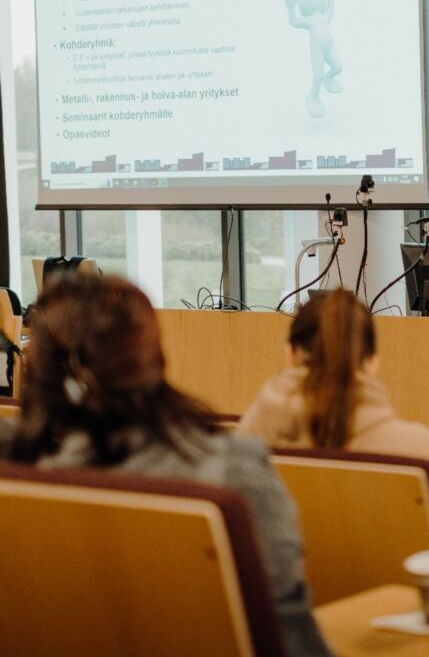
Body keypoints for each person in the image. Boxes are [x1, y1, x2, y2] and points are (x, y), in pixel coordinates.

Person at [5, 274, 333, 657]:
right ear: (153, 357)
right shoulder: (232, 473)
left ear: (39, 370)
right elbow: (291, 638)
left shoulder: (19, 474)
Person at [239, 288, 429, 587]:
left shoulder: (242, 447)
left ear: (290, 353)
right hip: (398, 622)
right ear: (373, 362)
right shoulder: (421, 452)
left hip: (282, 624)